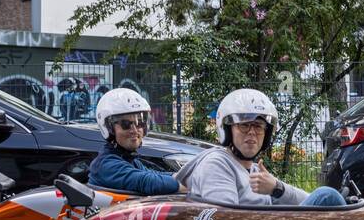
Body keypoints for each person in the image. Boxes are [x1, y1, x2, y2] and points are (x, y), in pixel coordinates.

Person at [175, 88, 345, 207]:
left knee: (327, 198)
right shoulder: (217, 164)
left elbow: (307, 199)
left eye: (258, 126)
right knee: (326, 196)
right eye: (244, 125)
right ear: (227, 130)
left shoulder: (255, 170)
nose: (252, 132)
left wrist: (276, 187)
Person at [88, 88, 184, 195]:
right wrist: (186, 185)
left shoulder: (127, 159)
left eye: (140, 122)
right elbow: (147, 182)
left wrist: (182, 176)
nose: (134, 130)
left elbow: (153, 174)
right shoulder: (107, 165)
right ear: (109, 128)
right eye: (125, 124)